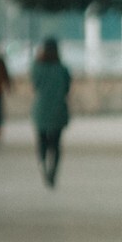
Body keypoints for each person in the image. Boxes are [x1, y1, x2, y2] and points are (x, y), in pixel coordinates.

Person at [30, 38, 72, 188]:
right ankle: (53, 170)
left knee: (41, 142)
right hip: (58, 110)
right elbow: (67, 88)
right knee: (56, 143)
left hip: (41, 110)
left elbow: (34, 84)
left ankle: (42, 166)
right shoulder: (62, 69)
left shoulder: (37, 67)